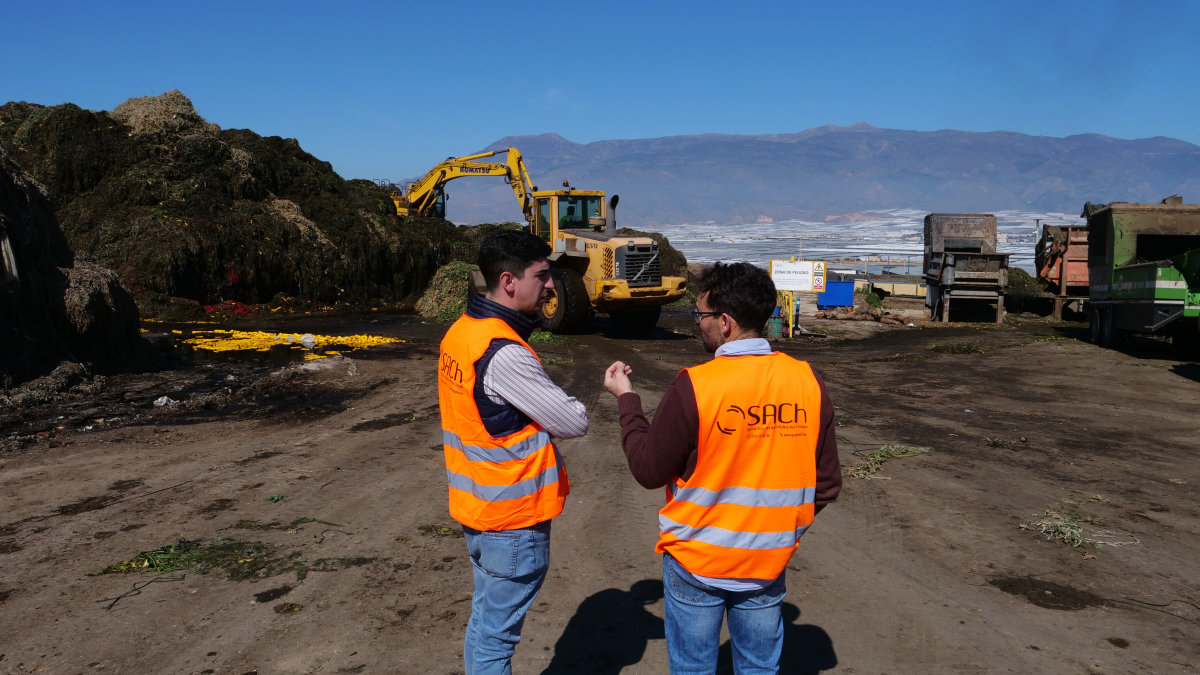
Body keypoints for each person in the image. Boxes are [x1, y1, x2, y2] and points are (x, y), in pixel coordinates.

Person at [602, 262, 842, 675]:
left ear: (725, 323)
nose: (698, 324)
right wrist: (781, 529)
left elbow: (648, 469)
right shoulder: (808, 381)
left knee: (694, 668)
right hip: (768, 564)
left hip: (697, 560)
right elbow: (827, 484)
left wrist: (627, 400)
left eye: (701, 316)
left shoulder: (696, 385)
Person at [438, 229, 590, 675]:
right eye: (542, 276)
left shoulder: (460, 334)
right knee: (495, 639)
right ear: (509, 282)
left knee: (485, 625)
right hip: (512, 523)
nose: (550, 286)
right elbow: (573, 421)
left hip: (478, 513)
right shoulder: (504, 354)